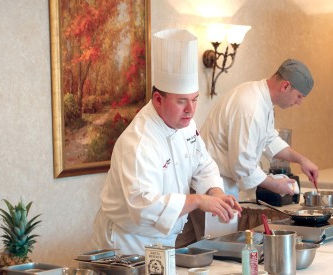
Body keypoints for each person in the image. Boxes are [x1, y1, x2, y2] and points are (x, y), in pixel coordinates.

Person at [90, 29, 242, 255]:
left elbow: (203, 164)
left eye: (194, 100)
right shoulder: (139, 142)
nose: (190, 110)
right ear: (158, 100)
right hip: (128, 244)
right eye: (182, 101)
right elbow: (144, 207)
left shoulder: (185, 123)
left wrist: (215, 192)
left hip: (165, 240)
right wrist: (198, 200)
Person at [200, 59, 319, 201]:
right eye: (299, 96)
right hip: (211, 186)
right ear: (285, 86)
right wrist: (275, 185)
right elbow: (243, 166)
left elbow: (270, 140)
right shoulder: (251, 108)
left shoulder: (262, 99)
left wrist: (302, 160)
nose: (299, 102)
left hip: (224, 184)